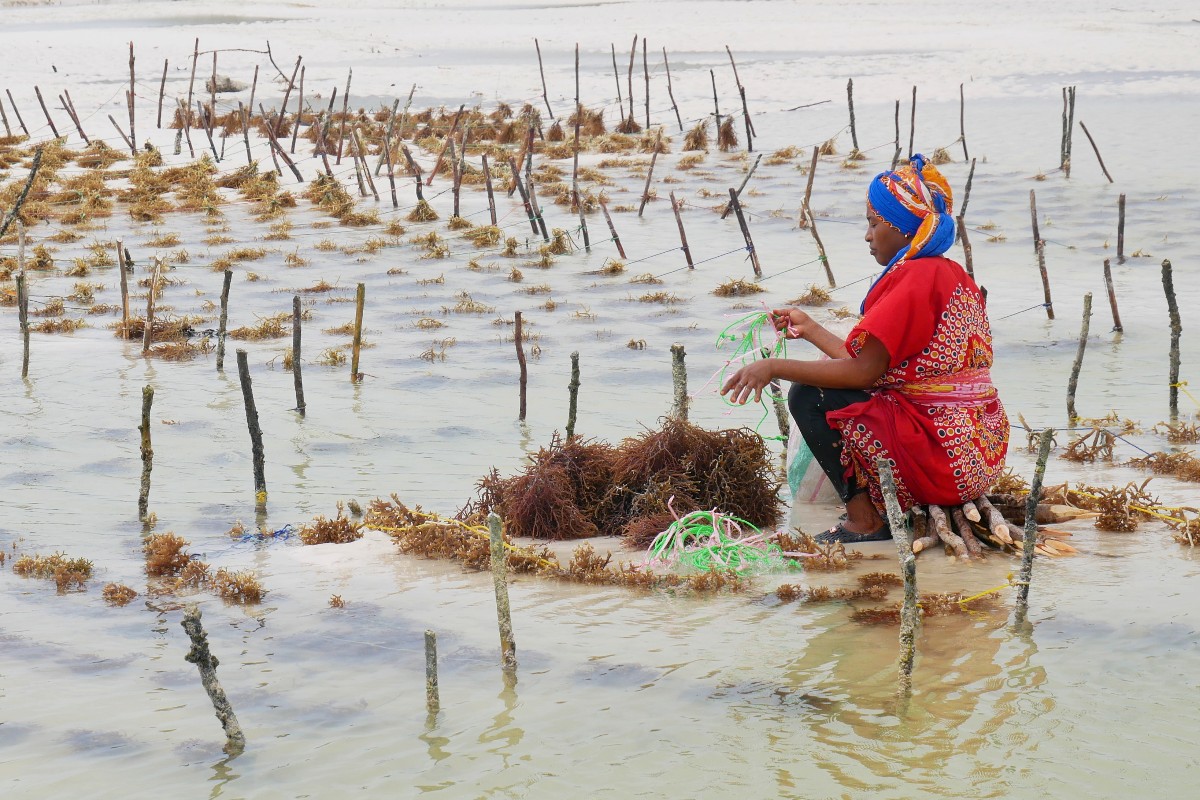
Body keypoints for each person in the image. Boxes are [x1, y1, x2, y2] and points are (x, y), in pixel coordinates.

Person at [720, 154, 1009, 543]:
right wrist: (812, 330)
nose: (868, 235)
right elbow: (876, 367)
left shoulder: (915, 280)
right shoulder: (947, 271)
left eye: (874, 224)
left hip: (943, 459)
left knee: (809, 395)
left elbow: (864, 374)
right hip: (978, 451)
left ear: (904, 229)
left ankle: (866, 521)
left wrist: (773, 366)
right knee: (831, 388)